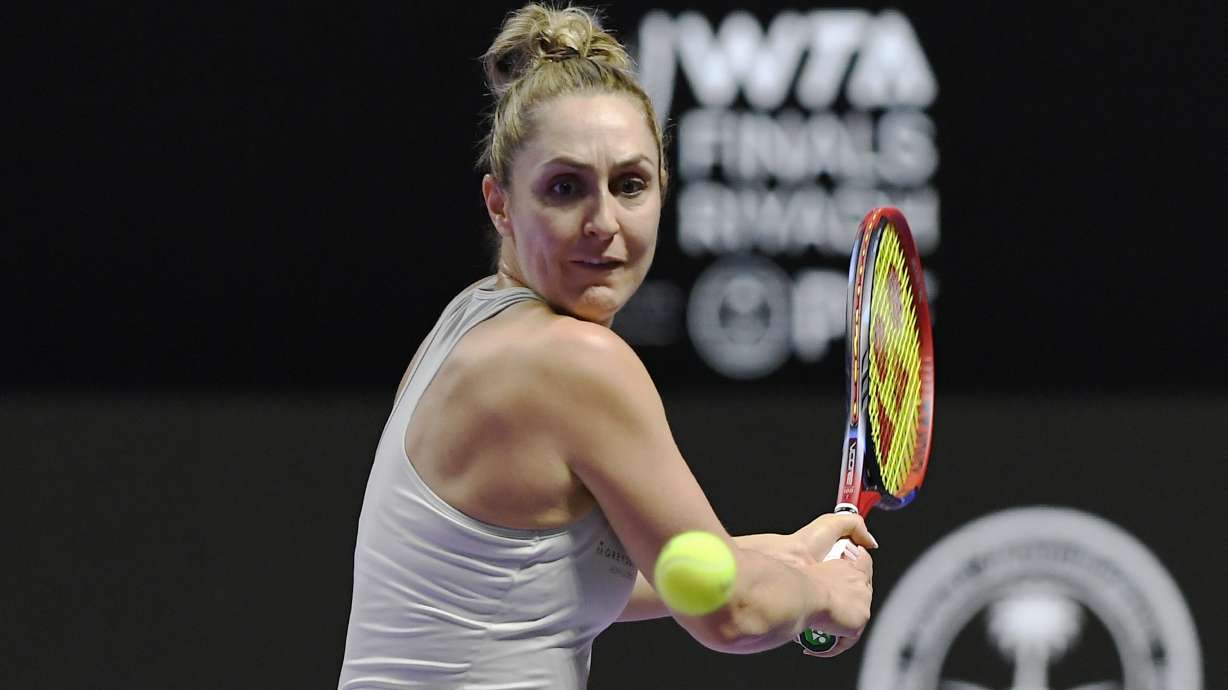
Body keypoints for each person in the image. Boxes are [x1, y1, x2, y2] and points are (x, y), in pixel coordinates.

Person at [338, 4, 876, 688]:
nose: (604, 223)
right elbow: (729, 611)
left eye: (630, 185)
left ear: (662, 189)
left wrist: (784, 559)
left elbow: (550, 584)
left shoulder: (469, 322)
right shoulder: (573, 362)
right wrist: (823, 598)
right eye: (566, 189)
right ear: (500, 202)